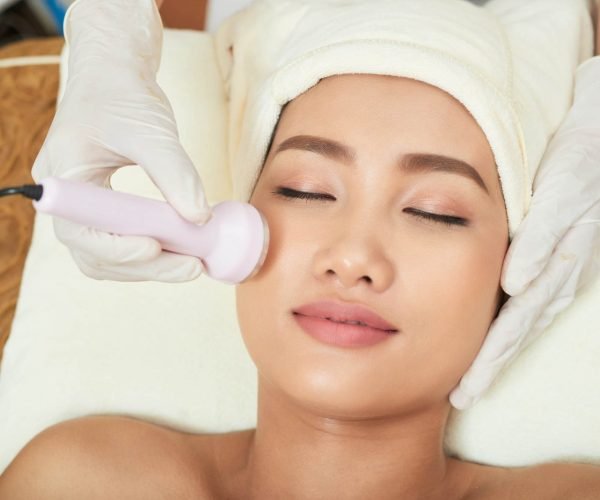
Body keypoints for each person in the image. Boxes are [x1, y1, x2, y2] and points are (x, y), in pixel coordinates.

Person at [2, 1, 600, 498]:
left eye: (432, 212)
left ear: (521, 261)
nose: (352, 256)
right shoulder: (87, 481)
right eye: (304, 191)